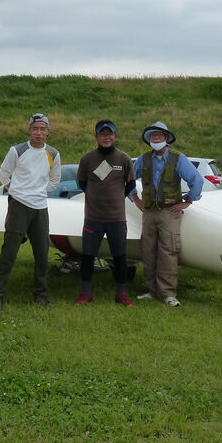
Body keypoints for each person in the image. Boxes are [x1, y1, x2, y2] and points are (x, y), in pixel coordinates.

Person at [0, 113, 61, 311]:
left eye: (42, 129)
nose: (39, 132)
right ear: (29, 130)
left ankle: (41, 296)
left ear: (48, 132)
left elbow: (55, 180)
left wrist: (38, 191)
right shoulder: (17, 150)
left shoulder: (53, 154)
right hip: (18, 205)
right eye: (35, 128)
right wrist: (16, 189)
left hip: (40, 207)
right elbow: (3, 173)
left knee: (42, 254)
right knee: (9, 252)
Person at [130, 121, 204, 307]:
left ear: (166, 139)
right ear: (149, 140)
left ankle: (168, 293)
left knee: (168, 250)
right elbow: (128, 179)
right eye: (153, 136)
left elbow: (196, 180)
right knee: (148, 249)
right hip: (148, 212)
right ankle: (151, 290)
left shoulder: (178, 159)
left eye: (160, 136)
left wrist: (188, 201)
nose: (156, 139)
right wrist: (135, 199)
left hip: (169, 212)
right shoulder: (143, 159)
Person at [74, 120, 137, 306]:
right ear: (96, 137)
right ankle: (86, 293)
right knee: (88, 255)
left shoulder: (124, 158)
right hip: (93, 217)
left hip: (116, 218)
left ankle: (121, 293)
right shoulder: (87, 158)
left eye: (110, 134)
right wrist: (95, 197)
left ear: (115, 136)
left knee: (120, 256)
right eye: (102, 134)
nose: (106, 137)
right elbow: (82, 183)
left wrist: (116, 198)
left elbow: (131, 184)